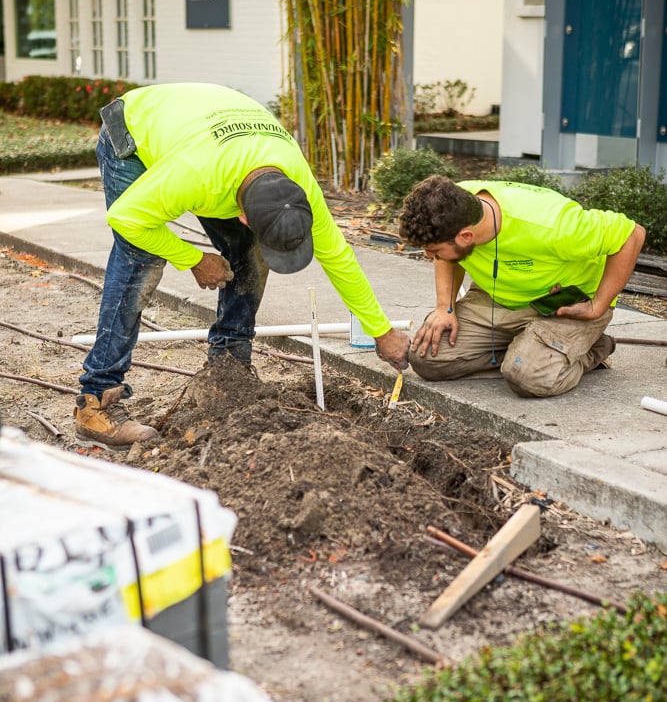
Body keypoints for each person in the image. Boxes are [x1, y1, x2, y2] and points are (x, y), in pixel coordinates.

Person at [75, 82, 410, 448]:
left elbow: (340, 259)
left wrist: (382, 332)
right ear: (245, 216)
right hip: (134, 135)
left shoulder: (297, 181)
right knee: (140, 255)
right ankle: (97, 400)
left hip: (210, 137)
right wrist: (194, 259)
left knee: (249, 253)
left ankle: (228, 369)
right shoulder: (194, 174)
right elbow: (125, 218)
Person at [397, 175, 645, 398]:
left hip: (563, 304)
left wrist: (598, 305)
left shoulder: (553, 225)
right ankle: (529, 349)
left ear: (466, 237)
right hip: (496, 298)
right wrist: (444, 308)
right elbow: (446, 257)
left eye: (434, 250)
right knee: (426, 359)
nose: (430, 256)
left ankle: (592, 348)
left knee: (529, 378)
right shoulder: (453, 207)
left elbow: (631, 234)